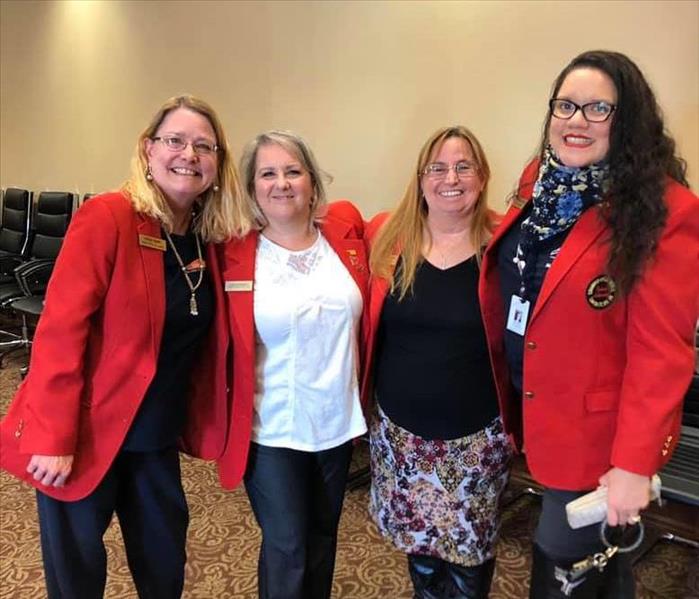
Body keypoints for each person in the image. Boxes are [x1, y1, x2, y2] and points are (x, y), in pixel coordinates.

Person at [0, 95, 245, 599]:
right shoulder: (109, 216)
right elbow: (60, 329)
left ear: (218, 164)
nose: (189, 154)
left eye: (204, 145)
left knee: (163, 566)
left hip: (154, 436)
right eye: (175, 140)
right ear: (148, 151)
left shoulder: (207, 238)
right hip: (86, 430)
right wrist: (52, 435)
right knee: (77, 576)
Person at [479, 50, 699, 598]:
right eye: (566, 105)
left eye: (598, 108)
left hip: (593, 439)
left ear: (627, 122)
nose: (576, 121)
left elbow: (661, 353)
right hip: (531, 408)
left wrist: (631, 466)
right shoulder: (540, 182)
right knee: (598, 570)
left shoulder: (664, 211)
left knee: (563, 567)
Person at [216, 130, 369, 599]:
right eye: (268, 173)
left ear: (311, 182)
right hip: (273, 429)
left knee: (323, 541)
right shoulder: (235, 256)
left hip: (336, 424)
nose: (281, 183)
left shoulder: (348, 245)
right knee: (288, 548)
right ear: (252, 187)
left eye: (292, 171)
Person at [362, 126, 513, 598]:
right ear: (422, 178)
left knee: (469, 561)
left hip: (477, 440)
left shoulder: (506, 246)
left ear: (482, 175)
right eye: (439, 167)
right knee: (422, 558)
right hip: (401, 438)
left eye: (463, 165)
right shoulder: (388, 239)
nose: (451, 177)